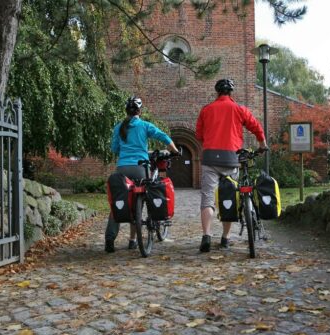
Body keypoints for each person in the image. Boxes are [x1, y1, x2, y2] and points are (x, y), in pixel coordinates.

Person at [195, 79, 267, 252]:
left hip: (210, 158)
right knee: (229, 196)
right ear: (231, 93)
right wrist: (262, 144)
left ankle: (206, 235)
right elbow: (256, 126)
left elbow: (198, 134)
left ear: (217, 92)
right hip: (231, 158)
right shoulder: (239, 109)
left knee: (208, 199)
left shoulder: (206, 109)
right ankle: (225, 238)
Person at [105, 95, 179, 253]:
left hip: (122, 168)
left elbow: (114, 149)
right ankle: (133, 240)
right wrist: (175, 150)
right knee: (139, 199)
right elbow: (163, 136)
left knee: (121, 201)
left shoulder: (119, 127)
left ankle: (110, 239)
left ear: (126, 111)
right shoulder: (145, 125)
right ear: (140, 111)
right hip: (140, 168)